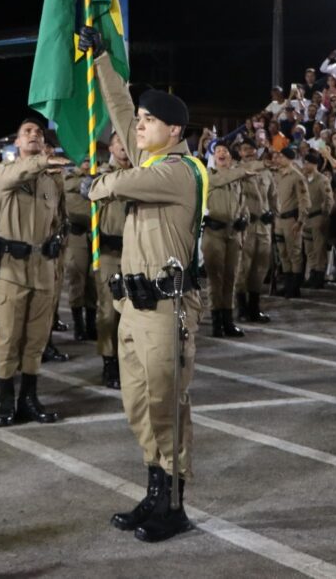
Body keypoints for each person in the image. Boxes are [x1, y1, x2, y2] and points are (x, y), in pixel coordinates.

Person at [83, 27, 205, 543]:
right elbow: (119, 108)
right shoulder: (149, 159)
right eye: (143, 120)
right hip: (133, 307)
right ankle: (154, 491)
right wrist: (102, 61)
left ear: (174, 131)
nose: (139, 127)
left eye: (151, 122)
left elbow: (108, 186)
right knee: (138, 407)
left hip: (166, 309)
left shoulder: (179, 170)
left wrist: (100, 182)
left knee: (165, 406)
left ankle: (173, 505)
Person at [0, 119, 68, 427]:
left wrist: (56, 242)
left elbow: (58, 221)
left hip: (43, 269)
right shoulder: (3, 173)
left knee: (36, 339)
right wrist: (43, 160)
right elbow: (22, 171)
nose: (34, 135)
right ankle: (7, 400)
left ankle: (29, 398)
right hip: (11, 270)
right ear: (17, 143)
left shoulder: (51, 181)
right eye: (27, 132)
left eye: (38, 132)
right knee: (8, 338)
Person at [92, 133, 130, 387]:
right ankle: (109, 362)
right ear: (111, 147)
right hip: (109, 253)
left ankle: (131, 361)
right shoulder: (101, 176)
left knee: (136, 311)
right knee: (108, 311)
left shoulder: (143, 174)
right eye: (119, 142)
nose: (124, 147)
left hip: (136, 254)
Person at [202, 143, 250, 336]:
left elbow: (243, 204)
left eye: (225, 152)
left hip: (233, 233)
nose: (221, 153)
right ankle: (216, 323)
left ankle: (228, 320)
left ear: (230, 158)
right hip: (214, 232)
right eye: (218, 151)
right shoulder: (209, 176)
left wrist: (244, 220)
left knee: (231, 277)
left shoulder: (236, 180)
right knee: (215, 278)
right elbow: (223, 179)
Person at [235, 138, 274, 323]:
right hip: (247, 226)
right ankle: (241, 308)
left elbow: (273, 195)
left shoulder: (266, 173)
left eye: (251, 148)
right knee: (243, 268)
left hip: (263, 226)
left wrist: (273, 213)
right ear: (240, 153)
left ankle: (254, 308)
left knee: (260, 268)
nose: (249, 151)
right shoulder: (237, 171)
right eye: (245, 149)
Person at [62, 157, 97, 340]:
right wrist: (88, 181)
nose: (87, 162)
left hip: (97, 235)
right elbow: (69, 186)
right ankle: (79, 326)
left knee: (93, 281)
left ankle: (91, 325)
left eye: (89, 158)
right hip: (77, 235)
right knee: (77, 278)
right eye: (83, 158)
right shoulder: (68, 178)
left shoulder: (100, 175)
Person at [271, 146, 310, 297]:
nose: (278, 159)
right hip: (279, 219)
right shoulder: (278, 175)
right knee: (283, 253)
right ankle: (287, 284)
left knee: (294, 253)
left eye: (281, 157)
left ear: (289, 159)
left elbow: (304, 201)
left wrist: (300, 221)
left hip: (291, 220)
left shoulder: (297, 177)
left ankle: (295, 287)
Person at [301, 152, 334, 288]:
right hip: (306, 218)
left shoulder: (322, 180)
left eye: (307, 163)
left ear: (314, 164)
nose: (305, 165)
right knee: (309, 249)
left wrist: (325, 216)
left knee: (319, 248)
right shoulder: (303, 179)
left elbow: (328, 199)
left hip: (317, 216)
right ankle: (313, 272)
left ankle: (319, 274)